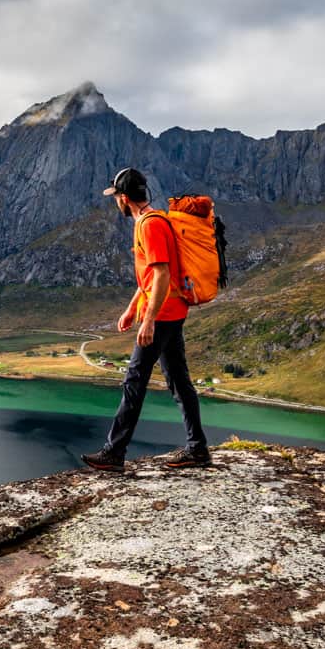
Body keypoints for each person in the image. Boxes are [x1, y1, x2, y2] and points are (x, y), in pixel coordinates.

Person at [81, 167, 211, 471]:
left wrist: (149, 320)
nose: (116, 202)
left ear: (125, 198)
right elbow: (150, 278)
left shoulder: (149, 226)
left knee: (135, 380)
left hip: (163, 314)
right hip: (172, 309)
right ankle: (198, 449)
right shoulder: (155, 220)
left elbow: (163, 274)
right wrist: (131, 308)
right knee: (179, 381)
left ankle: (114, 452)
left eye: (116, 197)